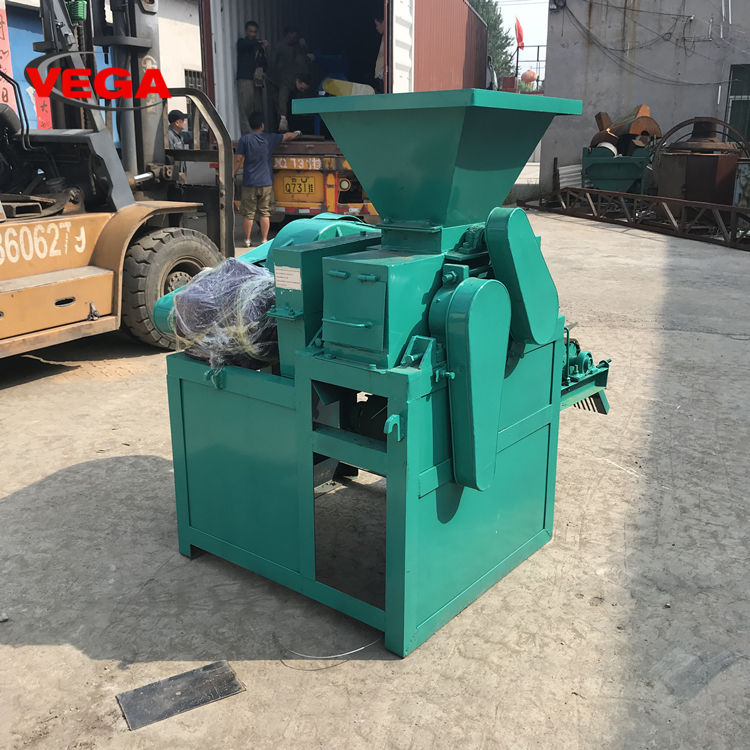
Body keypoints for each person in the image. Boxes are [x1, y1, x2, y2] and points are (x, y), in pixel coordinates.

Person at [234, 111, 300, 247]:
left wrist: (232, 174)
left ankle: (247, 240)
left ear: (251, 125)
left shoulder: (244, 140)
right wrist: (297, 133)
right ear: (262, 125)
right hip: (266, 182)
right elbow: (287, 136)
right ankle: (264, 240)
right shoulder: (269, 139)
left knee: (248, 213)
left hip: (249, 182)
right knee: (265, 212)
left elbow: (238, 158)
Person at [270, 25, 311, 132]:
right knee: (280, 106)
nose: (293, 40)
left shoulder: (296, 48)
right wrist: (283, 118)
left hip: (289, 76)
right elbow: (282, 98)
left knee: (290, 105)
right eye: (291, 37)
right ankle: (282, 130)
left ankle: (292, 127)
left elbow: (303, 57)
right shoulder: (279, 47)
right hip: (277, 81)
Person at [236, 20, 269, 134]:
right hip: (245, 79)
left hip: (256, 81)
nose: (253, 34)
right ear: (246, 31)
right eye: (251, 31)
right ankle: (247, 134)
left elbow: (265, 64)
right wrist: (259, 43)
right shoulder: (242, 42)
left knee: (258, 108)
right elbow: (247, 45)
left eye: (255, 32)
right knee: (246, 108)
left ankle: (257, 132)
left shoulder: (259, 48)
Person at [167, 109, 188, 173]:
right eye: (183, 121)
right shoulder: (169, 136)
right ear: (177, 123)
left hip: (180, 173)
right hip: (174, 174)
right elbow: (169, 158)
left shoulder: (179, 135)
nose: (185, 123)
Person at [373, 15, 385, 93]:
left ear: (383, 23)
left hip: (383, 76)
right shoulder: (384, 37)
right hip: (381, 75)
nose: (376, 28)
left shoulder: (388, 37)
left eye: (377, 25)